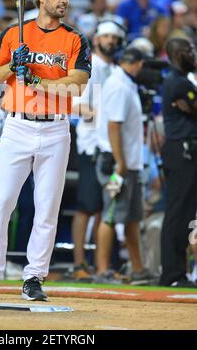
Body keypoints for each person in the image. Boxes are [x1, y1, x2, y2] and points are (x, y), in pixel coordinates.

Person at [0, 0, 91, 301]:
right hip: (18, 126)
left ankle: (35, 277)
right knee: (2, 202)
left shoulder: (75, 39)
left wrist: (37, 81)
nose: (64, 0)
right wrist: (13, 66)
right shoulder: (14, 33)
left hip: (56, 128)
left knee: (47, 208)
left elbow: (78, 83)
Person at [71, 18, 125, 280]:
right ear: (97, 40)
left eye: (114, 38)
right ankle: (80, 263)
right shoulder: (89, 68)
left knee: (105, 207)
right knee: (86, 206)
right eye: (106, 37)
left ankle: (100, 263)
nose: (111, 42)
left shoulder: (116, 70)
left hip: (109, 148)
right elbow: (74, 105)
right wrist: (100, 116)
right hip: (90, 146)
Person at [96, 47, 153, 284]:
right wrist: (120, 163)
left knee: (131, 217)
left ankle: (138, 268)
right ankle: (101, 271)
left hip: (128, 164)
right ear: (138, 64)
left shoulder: (125, 83)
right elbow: (113, 126)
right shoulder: (119, 86)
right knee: (110, 214)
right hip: (116, 165)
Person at [160, 37, 197, 287]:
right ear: (175, 54)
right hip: (181, 150)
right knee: (177, 211)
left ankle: (177, 273)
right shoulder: (179, 82)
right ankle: (172, 274)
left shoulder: (182, 81)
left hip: (185, 150)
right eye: (188, 50)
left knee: (184, 213)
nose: (192, 54)